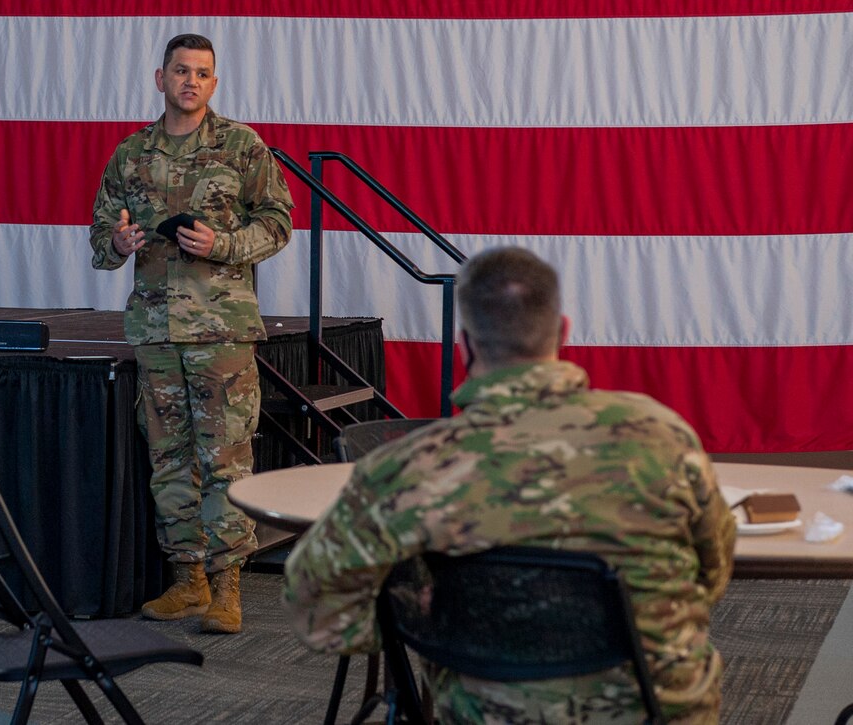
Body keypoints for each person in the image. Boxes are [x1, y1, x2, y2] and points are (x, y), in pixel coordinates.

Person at [284, 247, 736, 722]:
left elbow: (317, 611)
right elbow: (712, 569)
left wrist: (423, 622)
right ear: (562, 331)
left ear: (464, 344)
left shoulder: (407, 468)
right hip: (655, 709)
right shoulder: (662, 436)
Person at [90, 33, 293, 634]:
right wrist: (120, 243)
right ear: (161, 78)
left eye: (203, 73)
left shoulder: (241, 146)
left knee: (226, 458)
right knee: (169, 457)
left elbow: (279, 221)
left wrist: (223, 244)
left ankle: (229, 586)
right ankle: (188, 580)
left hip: (221, 331)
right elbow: (101, 239)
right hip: (155, 331)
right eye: (182, 71)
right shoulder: (130, 154)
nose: (191, 82)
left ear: (213, 82)